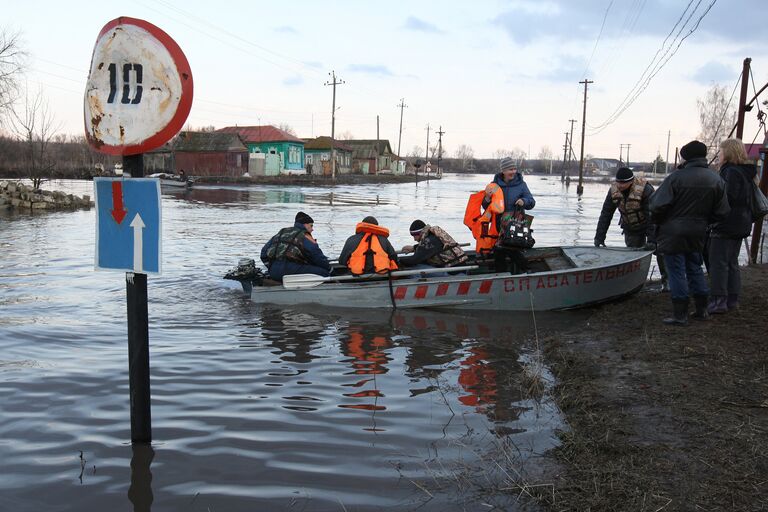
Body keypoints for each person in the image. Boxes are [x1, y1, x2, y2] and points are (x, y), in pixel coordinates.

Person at [649, 140, 730, 325]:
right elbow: (723, 211)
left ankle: (680, 314)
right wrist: (705, 222)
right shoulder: (716, 179)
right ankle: (702, 310)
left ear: (685, 157)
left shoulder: (676, 177)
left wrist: (659, 222)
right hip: (699, 231)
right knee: (695, 267)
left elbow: (656, 205)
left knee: (676, 270)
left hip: (673, 232)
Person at [594, 167, 667, 289]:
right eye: (618, 182)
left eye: (623, 183)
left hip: (651, 224)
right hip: (631, 227)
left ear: (631, 181)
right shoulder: (613, 191)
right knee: (634, 256)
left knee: (661, 252)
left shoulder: (646, 190)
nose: (620, 185)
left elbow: (652, 216)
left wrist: (652, 240)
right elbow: (606, 214)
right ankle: (635, 283)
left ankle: (667, 281)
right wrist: (599, 237)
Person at [706, 138, 757, 314]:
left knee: (718, 262)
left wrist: (712, 216)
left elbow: (727, 199)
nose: (718, 156)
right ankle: (732, 299)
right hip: (741, 223)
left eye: (720, 152)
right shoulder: (746, 172)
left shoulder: (730, 172)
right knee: (731, 262)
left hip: (726, 225)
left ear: (728, 153)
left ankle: (718, 300)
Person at [260, 211, 331, 282]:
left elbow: (263, 253)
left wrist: (271, 267)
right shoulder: (305, 236)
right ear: (305, 225)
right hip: (290, 270)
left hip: (273, 272)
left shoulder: (281, 233)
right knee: (323, 272)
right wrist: (329, 268)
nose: (312, 229)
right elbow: (317, 255)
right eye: (311, 226)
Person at [399, 220, 468, 269]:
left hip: (453, 271)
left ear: (420, 233)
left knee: (416, 267)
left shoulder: (429, 241)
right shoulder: (433, 235)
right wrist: (414, 248)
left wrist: (398, 261)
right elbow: (431, 248)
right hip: (459, 267)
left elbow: (414, 260)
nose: (414, 239)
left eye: (414, 236)